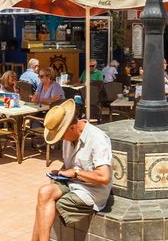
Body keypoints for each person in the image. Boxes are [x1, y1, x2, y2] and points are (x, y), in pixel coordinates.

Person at [32, 100, 112, 240]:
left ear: (71, 127)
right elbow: (69, 165)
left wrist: (75, 173)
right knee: (44, 193)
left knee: (48, 207)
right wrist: (61, 172)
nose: (61, 139)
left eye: (61, 135)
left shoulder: (97, 138)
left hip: (91, 191)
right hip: (72, 183)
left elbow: (104, 177)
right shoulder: (69, 138)